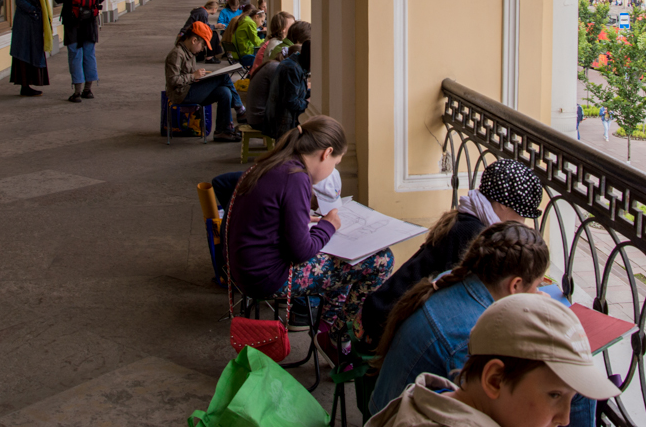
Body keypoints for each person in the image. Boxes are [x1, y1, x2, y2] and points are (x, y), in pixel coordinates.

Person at [370, 223, 599, 427]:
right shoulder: (468, 339)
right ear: (516, 285)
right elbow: (496, 404)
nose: (538, 294)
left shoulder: (456, 281)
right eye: (536, 286)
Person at [225, 116, 394, 367]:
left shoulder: (274, 163)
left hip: (244, 269)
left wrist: (308, 221)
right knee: (381, 260)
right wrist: (329, 225)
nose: (333, 169)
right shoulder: (296, 177)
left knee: (350, 263)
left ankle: (327, 328)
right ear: (326, 153)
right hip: (267, 277)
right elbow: (301, 251)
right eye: (336, 162)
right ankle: (335, 336)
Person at [360, 159, 545, 353]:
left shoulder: (467, 218)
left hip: (379, 310)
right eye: (521, 215)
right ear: (503, 205)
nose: (522, 223)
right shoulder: (473, 235)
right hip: (383, 326)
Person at [365, 293, 622, 427]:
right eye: (555, 395)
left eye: (571, 397)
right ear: (495, 380)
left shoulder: (438, 398)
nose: (565, 418)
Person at [165, 21, 241, 142]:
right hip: (181, 95)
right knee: (223, 77)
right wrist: (193, 76)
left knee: (224, 92)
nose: (202, 49)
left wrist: (200, 76)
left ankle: (223, 131)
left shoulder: (189, 53)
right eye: (203, 45)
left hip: (189, 90)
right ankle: (240, 108)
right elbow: (172, 80)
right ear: (194, 40)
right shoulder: (176, 54)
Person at [53, 0, 105, 103]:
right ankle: (88, 90)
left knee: (75, 54)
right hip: (90, 21)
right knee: (89, 53)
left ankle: (76, 92)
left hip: (72, 20)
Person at [10, 0, 51, 96]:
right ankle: (25, 85)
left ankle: (27, 85)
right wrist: (35, 11)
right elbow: (21, 0)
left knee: (30, 51)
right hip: (26, 24)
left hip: (31, 22)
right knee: (26, 53)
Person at [266, 39, 310, 138]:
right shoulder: (292, 69)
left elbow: (296, 92)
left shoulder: (295, 64)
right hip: (283, 121)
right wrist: (309, 103)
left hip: (282, 117)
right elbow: (291, 102)